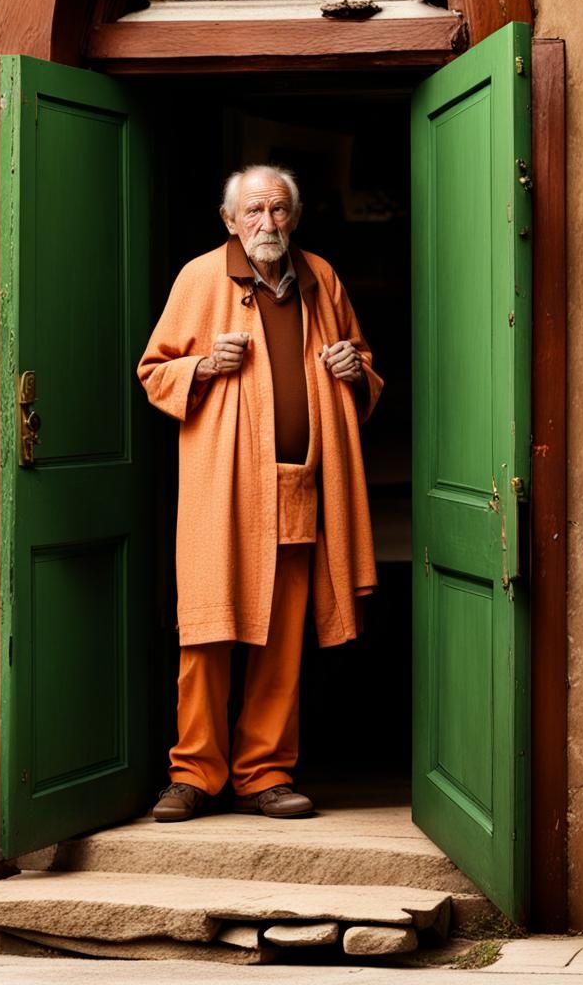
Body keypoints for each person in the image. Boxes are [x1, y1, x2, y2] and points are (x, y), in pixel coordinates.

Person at [137, 164, 382, 822]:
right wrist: (201, 366)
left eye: (277, 211)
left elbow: (365, 373)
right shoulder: (199, 278)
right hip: (224, 490)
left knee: (281, 640)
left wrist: (354, 370)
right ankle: (193, 774)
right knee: (210, 629)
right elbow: (153, 372)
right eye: (253, 212)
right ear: (229, 221)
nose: (266, 224)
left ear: (293, 218)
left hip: (299, 486)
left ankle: (265, 773)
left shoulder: (320, 278)